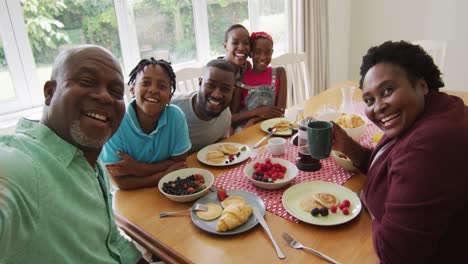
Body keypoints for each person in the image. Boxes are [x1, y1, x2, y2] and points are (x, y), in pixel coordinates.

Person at [0, 45, 145, 263]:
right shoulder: (22, 164)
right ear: (50, 92)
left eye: (116, 92)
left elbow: (112, 241)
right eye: (87, 81)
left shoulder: (91, 162)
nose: (105, 97)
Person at [332, 40, 468, 263]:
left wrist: (370, 205)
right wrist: (346, 145)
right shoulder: (433, 109)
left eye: (387, 90)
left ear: (422, 85)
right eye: (369, 99)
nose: (378, 107)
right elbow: (387, 166)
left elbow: (395, 253)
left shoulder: (431, 143)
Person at [100, 58, 191, 190]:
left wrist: (137, 169)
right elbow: (120, 182)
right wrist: (163, 175)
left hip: (169, 189)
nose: (153, 90)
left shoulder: (176, 117)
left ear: (170, 97)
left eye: (162, 86)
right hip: (128, 197)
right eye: (146, 83)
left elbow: (179, 163)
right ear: (132, 91)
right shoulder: (116, 122)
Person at [171, 59, 236, 153]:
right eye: (210, 85)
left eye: (225, 89)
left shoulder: (225, 115)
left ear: (232, 92)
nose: (216, 95)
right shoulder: (172, 108)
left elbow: (219, 148)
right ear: (200, 82)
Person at [231, 31, 287, 130]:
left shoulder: (280, 73)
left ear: (272, 52)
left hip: (272, 125)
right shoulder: (242, 79)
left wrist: (255, 120)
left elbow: (280, 111)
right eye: (257, 52)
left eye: (267, 52)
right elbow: (232, 118)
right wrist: (256, 115)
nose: (263, 57)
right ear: (250, 53)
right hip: (246, 128)